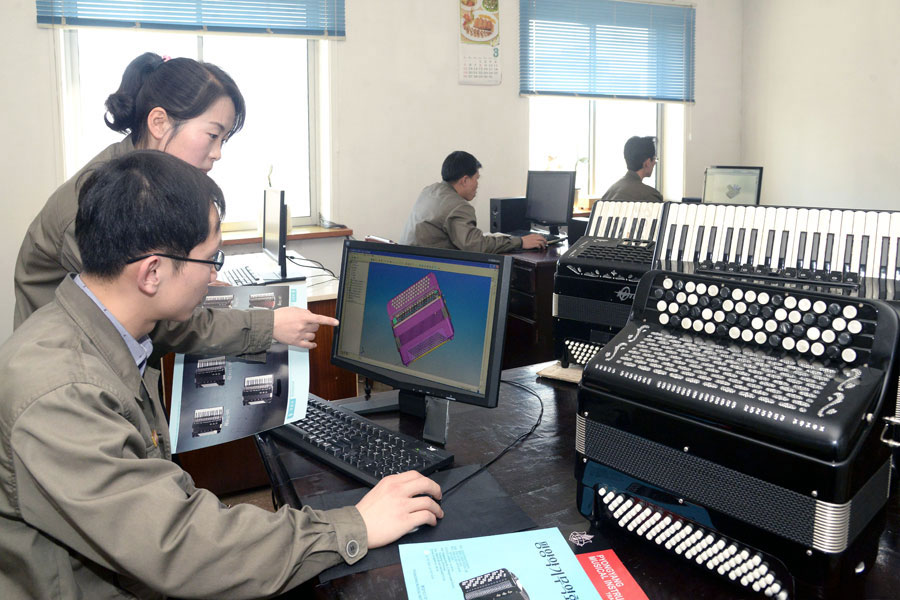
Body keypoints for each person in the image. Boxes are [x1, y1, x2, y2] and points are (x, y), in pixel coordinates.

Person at [0, 151, 444, 599]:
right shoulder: (63, 393)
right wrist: (356, 525)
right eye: (211, 260)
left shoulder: (100, 330)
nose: (216, 279)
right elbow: (181, 546)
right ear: (152, 272)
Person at [12, 52, 320, 351]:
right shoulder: (100, 200)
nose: (217, 153)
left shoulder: (143, 183)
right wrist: (267, 326)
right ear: (159, 122)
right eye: (212, 135)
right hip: (70, 367)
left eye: (223, 140)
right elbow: (151, 316)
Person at [400, 150, 547, 253]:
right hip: (431, 273)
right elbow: (477, 246)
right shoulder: (458, 206)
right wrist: (520, 242)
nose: (477, 184)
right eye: (476, 178)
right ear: (464, 180)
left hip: (411, 265)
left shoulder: (430, 191)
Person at [600, 136, 664, 203]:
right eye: (654, 159)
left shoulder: (611, 191)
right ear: (647, 163)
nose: (654, 163)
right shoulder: (649, 196)